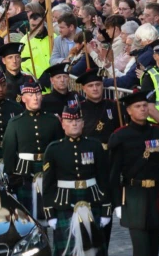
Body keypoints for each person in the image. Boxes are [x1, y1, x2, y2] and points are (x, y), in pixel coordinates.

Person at [42, 102, 111, 256]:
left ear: (83, 123)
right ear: (63, 124)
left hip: (92, 201)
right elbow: (48, 185)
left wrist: (107, 209)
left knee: (95, 251)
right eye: (70, 121)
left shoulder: (94, 145)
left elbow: (104, 179)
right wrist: (50, 214)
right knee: (66, 251)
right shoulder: (53, 149)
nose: (74, 124)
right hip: (64, 204)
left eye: (77, 121)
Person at [109, 90, 159, 256]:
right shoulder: (120, 136)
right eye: (138, 106)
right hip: (133, 196)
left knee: (153, 248)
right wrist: (116, 203)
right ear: (129, 111)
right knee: (141, 250)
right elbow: (114, 173)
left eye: (145, 105)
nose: (143, 109)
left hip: (156, 194)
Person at [3, 80, 64, 219]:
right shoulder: (15, 123)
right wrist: (12, 176)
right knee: (28, 213)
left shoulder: (52, 120)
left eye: (38, 93)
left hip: (47, 170)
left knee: (50, 213)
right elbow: (9, 152)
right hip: (24, 172)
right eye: (30, 94)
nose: (35, 97)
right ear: (23, 98)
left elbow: (59, 148)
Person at [75, 69, 121, 149]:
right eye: (90, 86)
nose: (95, 88)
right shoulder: (77, 109)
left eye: (98, 84)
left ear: (102, 85)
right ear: (84, 88)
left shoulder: (114, 105)